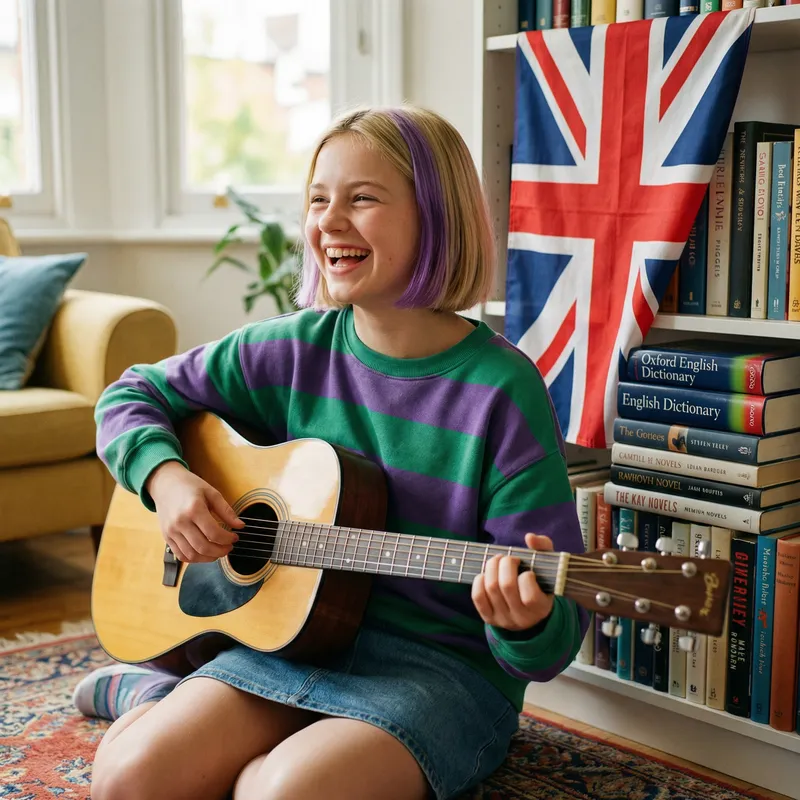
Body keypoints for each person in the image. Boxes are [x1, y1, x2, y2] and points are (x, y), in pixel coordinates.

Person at [76, 104, 589, 800]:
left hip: (437, 673)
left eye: (363, 199)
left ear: (437, 217)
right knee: (126, 782)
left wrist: (525, 621)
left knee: (278, 792)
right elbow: (130, 395)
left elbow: (556, 635)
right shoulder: (291, 349)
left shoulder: (503, 390)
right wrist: (167, 481)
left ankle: (165, 699)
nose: (329, 222)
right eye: (318, 200)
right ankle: (160, 695)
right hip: (284, 644)